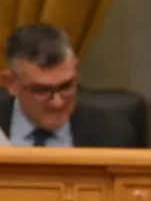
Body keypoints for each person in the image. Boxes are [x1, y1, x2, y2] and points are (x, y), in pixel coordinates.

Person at [0, 23, 136, 148]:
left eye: (66, 86)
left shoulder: (112, 132)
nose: (57, 103)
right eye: (41, 90)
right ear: (11, 83)